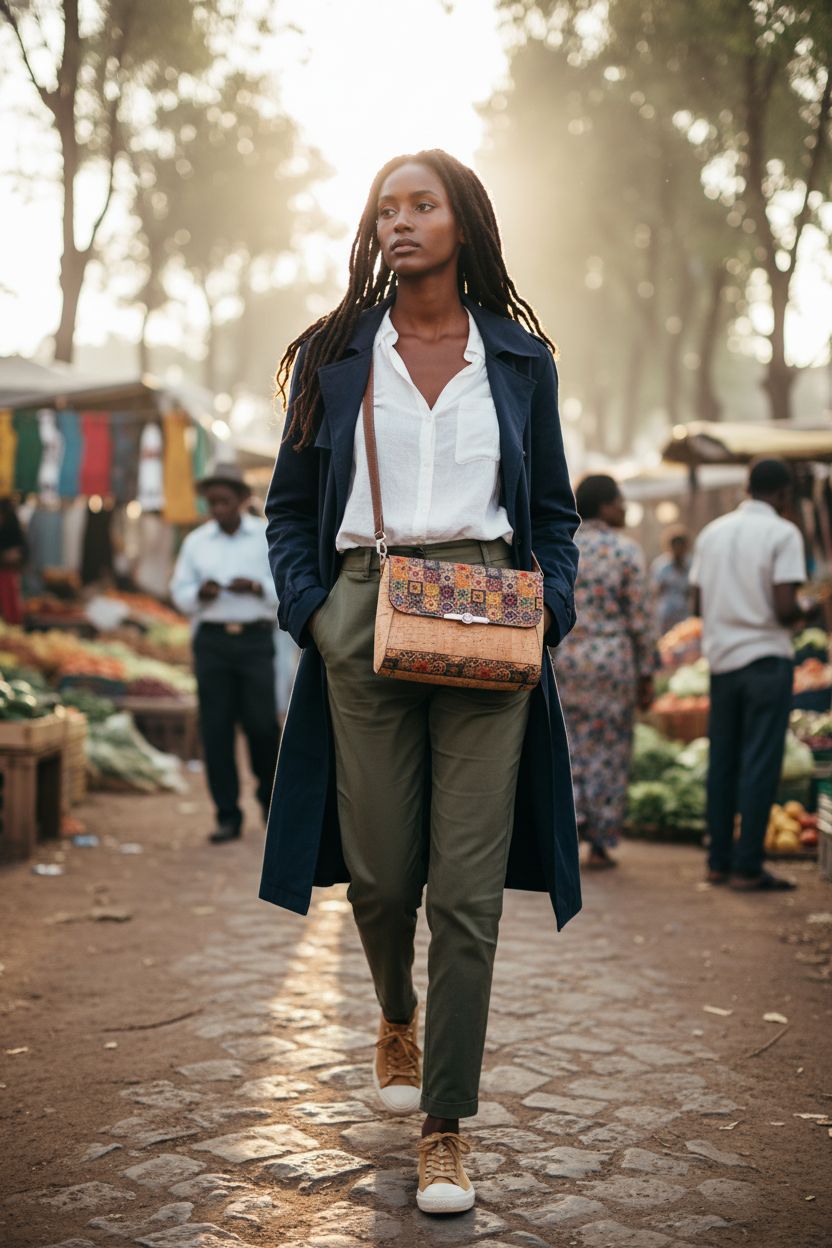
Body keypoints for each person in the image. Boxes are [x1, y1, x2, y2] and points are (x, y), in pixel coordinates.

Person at [260, 149, 580, 1214]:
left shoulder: (520, 359)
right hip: (364, 606)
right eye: (385, 208)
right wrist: (313, 609)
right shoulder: (335, 354)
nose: (399, 222)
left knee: (469, 890)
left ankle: (445, 1127)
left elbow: (554, 515)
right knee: (386, 873)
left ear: (462, 223)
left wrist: (550, 615)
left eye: (421, 205)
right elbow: (290, 506)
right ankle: (394, 1011)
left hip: (490, 611)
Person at [691, 457, 807, 891]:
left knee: (723, 761)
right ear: (782, 495)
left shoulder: (712, 533)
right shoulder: (784, 533)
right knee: (760, 762)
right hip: (766, 660)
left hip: (723, 662)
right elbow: (784, 607)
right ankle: (748, 866)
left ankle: (718, 861)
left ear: (746, 487)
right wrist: (810, 606)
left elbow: (698, 606)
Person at [170, 463, 279, 844]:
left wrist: (258, 588)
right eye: (212, 502)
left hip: (254, 641)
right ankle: (227, 815)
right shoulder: (197, 542)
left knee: (262, 726)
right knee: (215, 731)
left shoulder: (267, 536)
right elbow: (179, 591)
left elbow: (284, 587)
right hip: (212, 642)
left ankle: (269, 802)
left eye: (224, 501)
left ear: (242, 500)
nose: (217, 508)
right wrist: (201, 594)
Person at [555, 475, 659, 869]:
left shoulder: (566, 547)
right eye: (620, 501)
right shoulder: (625, 551)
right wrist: (647, 672)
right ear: (604, 505)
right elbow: (641, 618)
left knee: (570, 745)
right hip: (613, 665)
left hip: (567, 660)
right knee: (610, 749)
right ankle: (600, 840)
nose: (625, 508)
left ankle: (574, 823)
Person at [651, 526, 692, 636]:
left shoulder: (691, 565)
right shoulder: (661, 566)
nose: (678, 550)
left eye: (681, 546)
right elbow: (656, 591)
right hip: (666, 615)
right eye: (675, 546)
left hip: (685, 613)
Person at [0, 498, 25, 625]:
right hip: (7, 571)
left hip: (9, 573)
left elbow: (22, 547)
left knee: (11, 613)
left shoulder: (11, 517)